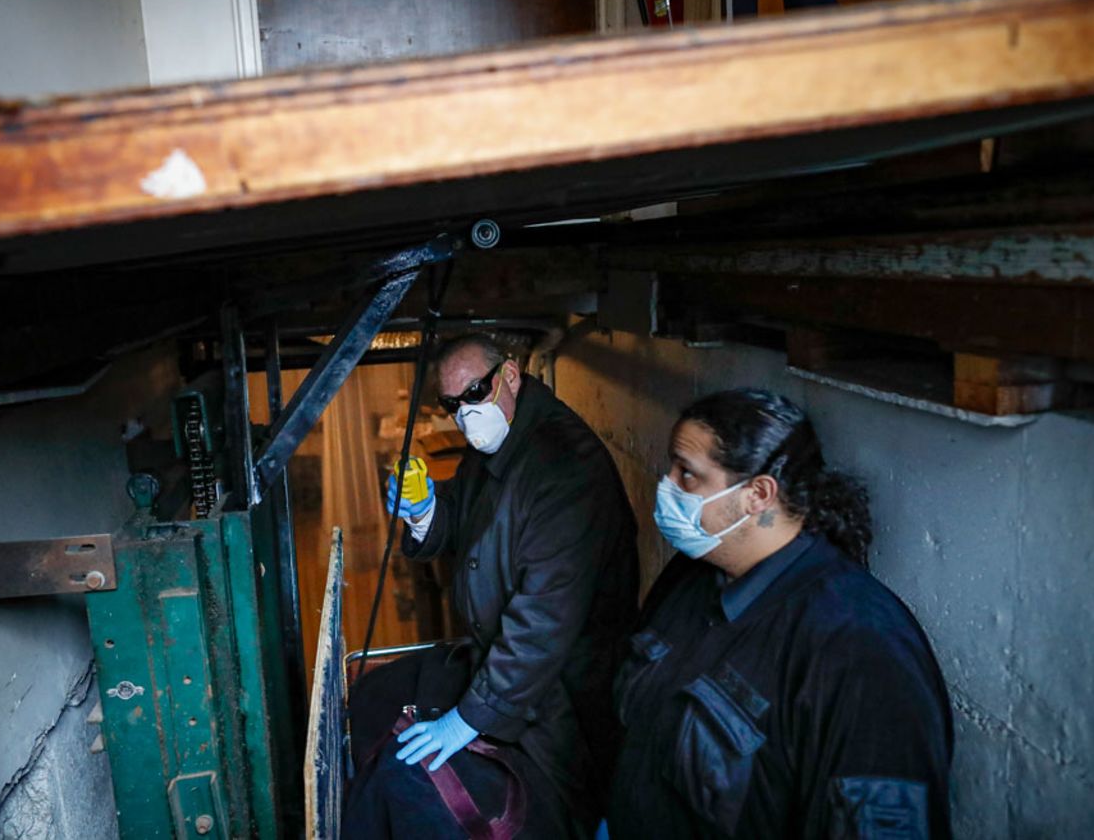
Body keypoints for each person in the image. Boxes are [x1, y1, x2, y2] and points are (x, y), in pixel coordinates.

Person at [608, 388, 952, 839]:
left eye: (687, 474)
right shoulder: (692, 575)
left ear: (758, 495)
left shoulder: (859, 652)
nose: (666, 485)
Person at [345, 333, 639, 839]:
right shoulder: (498, 441)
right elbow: (461, 512)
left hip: (554, 695)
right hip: (490, 656)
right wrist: (425, 511)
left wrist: (468, 720)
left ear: (509, 375)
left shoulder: (566, 466)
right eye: (452, 404)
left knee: (406, 783)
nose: (464, 415)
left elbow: (542, 626)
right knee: (372, 697)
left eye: (474, 393)